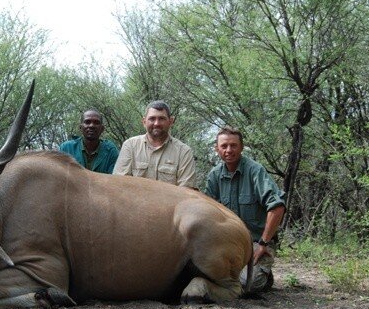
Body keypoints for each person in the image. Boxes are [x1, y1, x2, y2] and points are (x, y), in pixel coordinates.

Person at [204, 126, 285, 293]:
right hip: (227, 244)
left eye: (233, 145)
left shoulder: (255, 171)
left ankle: (262, 273)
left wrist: (264, 243)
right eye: (224, 146)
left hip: (256, 242)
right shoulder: (214, 176)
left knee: (247, 286)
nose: (229, 150)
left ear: (241, 147)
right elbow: (207, 214)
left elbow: (277, 207)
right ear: (216, 148)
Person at [113, 100, 196, 188]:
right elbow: (119, 184)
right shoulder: (130, 146)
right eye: (152, 119)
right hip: (134, 201)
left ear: (171, 121)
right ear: (144, 122)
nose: (156, 123)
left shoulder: (184, 152)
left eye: (161, 119)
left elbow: (186, 190)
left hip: (170, 202)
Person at [59, 109, 119, 174]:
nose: (91, 125)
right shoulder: (66, 148)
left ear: (102, 129)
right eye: (87, 122)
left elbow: (114, 178)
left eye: (96, 122)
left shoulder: (110, 150)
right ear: (80, 127)